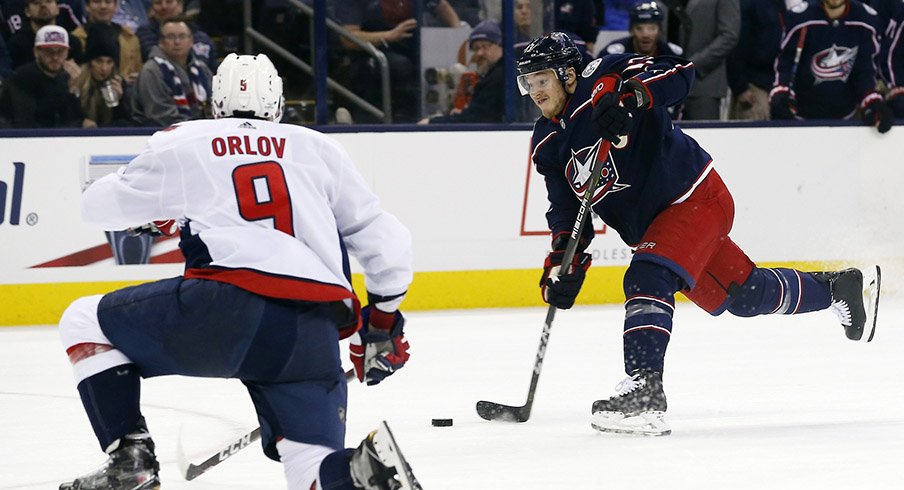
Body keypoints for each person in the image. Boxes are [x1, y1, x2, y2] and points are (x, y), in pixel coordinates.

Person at [58, 53, 420, 490]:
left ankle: (130, 458)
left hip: (226, 308)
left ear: (214, 103)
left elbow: (97, 205)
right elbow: (388, 243)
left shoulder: (185, 139)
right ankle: (363, 473)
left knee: (83, 320)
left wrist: (166, 210)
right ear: (279, 105)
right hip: (312, 331)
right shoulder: (319, 147)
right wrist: (381, 325)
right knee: (311, 470)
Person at [515, 32, 881, 436]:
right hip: (658, 229)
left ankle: (645, 391)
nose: (534, 91)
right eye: (528, 83)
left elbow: (680, 72)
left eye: (541, 79)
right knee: (743, 295)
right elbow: (567, 208)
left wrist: (631, 97)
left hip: (694, 198)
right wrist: (564, 258)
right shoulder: (547, 140)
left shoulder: (609, 73)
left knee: (646, 277)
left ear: (568, 74)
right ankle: (837, 289)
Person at [771, 0, 891, 132]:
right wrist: (782, 92)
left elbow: (864, 70)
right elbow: (785, 63)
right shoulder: (800, 18)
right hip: (800, 119)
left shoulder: (866, 20)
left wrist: (871, 101)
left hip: (845, 118)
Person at [332, 0, 461, 123]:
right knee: (400, 66)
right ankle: (396, 121)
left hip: (414, 50)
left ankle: (442, 115)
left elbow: (442, 6)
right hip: (370, 54)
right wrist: (389, 35)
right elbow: (347, 38)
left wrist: (459, 34)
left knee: (443, 65)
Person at [418, 19, 504, 124]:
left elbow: (475, 119)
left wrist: (432, 122)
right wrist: (464, 113)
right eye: (476, 49)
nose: (479, 53)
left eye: (485, 47)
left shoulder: (499, 77)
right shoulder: (493, 75)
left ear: (500, 46)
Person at [0, 24, 85, 127]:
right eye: (49, 51)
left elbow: (72, 120)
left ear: (67, 53)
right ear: (36, 52)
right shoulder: (22, 79)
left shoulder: (67, 77)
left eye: (60, 51)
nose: (55, 57)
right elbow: (26, 123)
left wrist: (73, 90)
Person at [131, 17, 211, 126]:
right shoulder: (151, 70)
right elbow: (160, 114)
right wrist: (197, 127)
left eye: (182, 36)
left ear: (191, 41)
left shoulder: (202, 69)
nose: (177, 42)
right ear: (161, 42)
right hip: (158, 133)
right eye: (170, 37)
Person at [674, 0, 740, 120]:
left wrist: (693, 65)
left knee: (703, 136)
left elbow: (729, 36)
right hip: (668, 82)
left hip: (704, 83)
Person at [726, 0, 785, 120]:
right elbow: (735, 45)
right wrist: (740, 87)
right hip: (755, 86)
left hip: (779, 86)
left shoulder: (787, 5)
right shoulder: (749, 4)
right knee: (754, 134)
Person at [70, 0, 143, 84]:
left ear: (116, 7)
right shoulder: (76, 39)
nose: (103, 6)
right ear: (87, 6)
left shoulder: (129, 38)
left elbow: (137, 71)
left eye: (108, 2)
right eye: (96, 2)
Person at [75, 25, 132, 127]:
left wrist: (120, 101)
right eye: (98, 61)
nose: (104, 68)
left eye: (109, 62)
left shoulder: (118, 83)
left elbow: (126, 124)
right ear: (89, 62)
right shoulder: (76, 82)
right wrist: (81, 122)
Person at [135, 0, 217, 70]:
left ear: (180, 5)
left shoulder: (201, 36)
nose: (164, 7)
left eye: (169, 2)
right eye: (158, 3)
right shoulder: (144, 34)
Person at [6, 0, 82, 69]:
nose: (43, 5)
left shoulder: (72, 42)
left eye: (48, 1)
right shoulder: (17, 44)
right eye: (36, 3)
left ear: (57, 8)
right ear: (27, 12)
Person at [602, 2, 683, 58]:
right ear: (631, 30)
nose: (645, 34)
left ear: (660, 31)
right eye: (639, 28)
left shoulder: (673, 54)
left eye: (652, 28)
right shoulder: (613, 55)